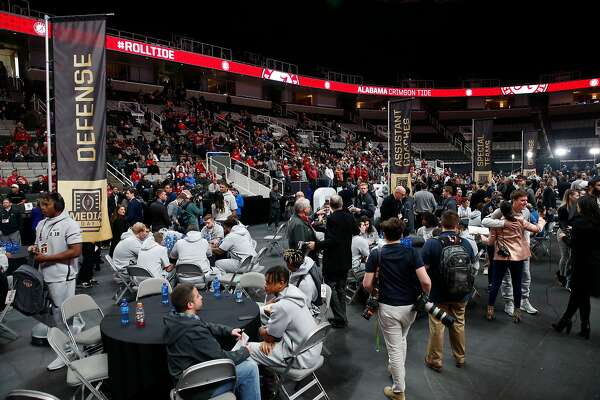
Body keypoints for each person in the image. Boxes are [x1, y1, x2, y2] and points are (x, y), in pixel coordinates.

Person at [362, 217, 431, 400]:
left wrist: (375, 291)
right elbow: (425, 281)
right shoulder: (412, 252)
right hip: (410, 308)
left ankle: (399, 390)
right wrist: (425, 296)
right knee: (402, 339)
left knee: (394, 348)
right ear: (402, 234)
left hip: (388, 308)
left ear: (384, 235)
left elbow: (367, 283)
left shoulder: (377, 254)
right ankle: (394, 369)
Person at [164, 284, 260, 400]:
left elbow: (205, 325)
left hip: (184, 382)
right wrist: (244, 351)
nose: (202, 297)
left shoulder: (176, 319)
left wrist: (229, 331)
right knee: (250, 368)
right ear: (190, 305)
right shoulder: (195, 333)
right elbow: (221, 358)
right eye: (198, 296)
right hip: (196, 388)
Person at [31, 192, 82, 371]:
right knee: (54, 313)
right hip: (43, 273)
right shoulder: (41, 224)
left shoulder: (70, 224)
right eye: (41, 205)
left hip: (62, 276)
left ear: (57, 206)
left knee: (62, 315)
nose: (42, 208)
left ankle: (68, 351)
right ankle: (77, 334)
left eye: (46, 205)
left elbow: (76, 251)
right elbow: (42, 246)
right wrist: (35, 250)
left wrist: (48, 257)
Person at [420, 211, 475, 372]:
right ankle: (460, 357)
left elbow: (424, 269)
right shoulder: (466, 243)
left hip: (438, 293)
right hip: (461, 292)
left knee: (437, 325)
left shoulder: (432, 243)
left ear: (441, 223)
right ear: (457, 225)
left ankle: (435, 360)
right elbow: (471, 267)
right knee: (459, 323)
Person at [249, 266, 322, 370]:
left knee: (249, 349)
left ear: (281, 283)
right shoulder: (294, 291)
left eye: (269, 282)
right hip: (312, 348)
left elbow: (269, 337)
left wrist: (262, 331)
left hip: (300, 356)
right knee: (265, 321)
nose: (265, 285)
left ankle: (265, 377)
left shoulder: (282, 307)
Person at [482, 189, 541, 316]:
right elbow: (485, 221)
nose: (525, 203)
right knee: (506, 279)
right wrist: (504, 223)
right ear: (513, 201)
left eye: (526, 200)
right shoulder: (503, 210)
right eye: (522, 200)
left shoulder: (525, 212)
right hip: (505, 251)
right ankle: (510, 303)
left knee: (525, 276)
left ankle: (523, 301)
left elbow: (532, 226)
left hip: (521, 249)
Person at [552, 196, 600, 340]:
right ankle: (582, 325)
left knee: (578, 295)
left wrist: (563, 238)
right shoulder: (598, 222)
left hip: (581, 263)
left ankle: (566, 322)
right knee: (582, 295)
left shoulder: (579, 223)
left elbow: (575, 245)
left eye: (578, 205)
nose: (577, 207)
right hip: (596, 263)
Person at [311, 195, 357, 328]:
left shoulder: (332, 218)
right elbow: (355, 231)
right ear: (342, 204)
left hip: (333, 260)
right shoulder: (349, 216)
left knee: (330, 288)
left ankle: (340, 318)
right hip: (345, 258)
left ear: (330, 205)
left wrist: (316, 245)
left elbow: (332, 241)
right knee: (341, 288)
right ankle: (342, 316)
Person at [283, 249, 321, 317]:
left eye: (287, 263)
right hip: (302, 302)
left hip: (307, 313)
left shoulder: (304, 284)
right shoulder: (305, 262)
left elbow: (304, 307)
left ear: (290, 265)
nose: (286, 265)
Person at [556, 189, 579, 287]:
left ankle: (565, 274)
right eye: (577, 195)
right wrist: (567, 230)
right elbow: (561, 223)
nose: (578, 197)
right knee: (565, 256)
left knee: (570, 256)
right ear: (570, 196)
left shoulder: (576, 207)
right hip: (563, 233)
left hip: (572, 232)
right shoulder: (563, 208)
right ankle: (561, 276)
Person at [287, 198, 319, 262]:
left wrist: (316, 214)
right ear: (304, 210)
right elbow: (301, 246)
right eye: (309, 206)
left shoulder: (296, 217)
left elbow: (307, 219)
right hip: (304, 260)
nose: (310, 208)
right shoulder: (299, 225)